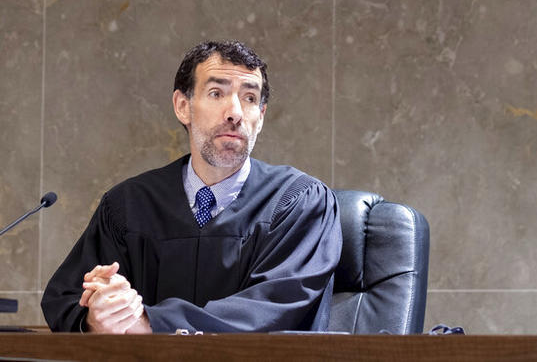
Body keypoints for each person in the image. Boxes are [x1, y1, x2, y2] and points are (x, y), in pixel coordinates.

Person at [41, 40, 341, 333]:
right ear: (183, 106)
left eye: (249, 98)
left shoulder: (300, 202)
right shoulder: (129, 206)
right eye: (216, 93)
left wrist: (149, 323)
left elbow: (273, 308)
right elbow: (65, 300)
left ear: (260, 118)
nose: (235, 112)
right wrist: (101, 314)